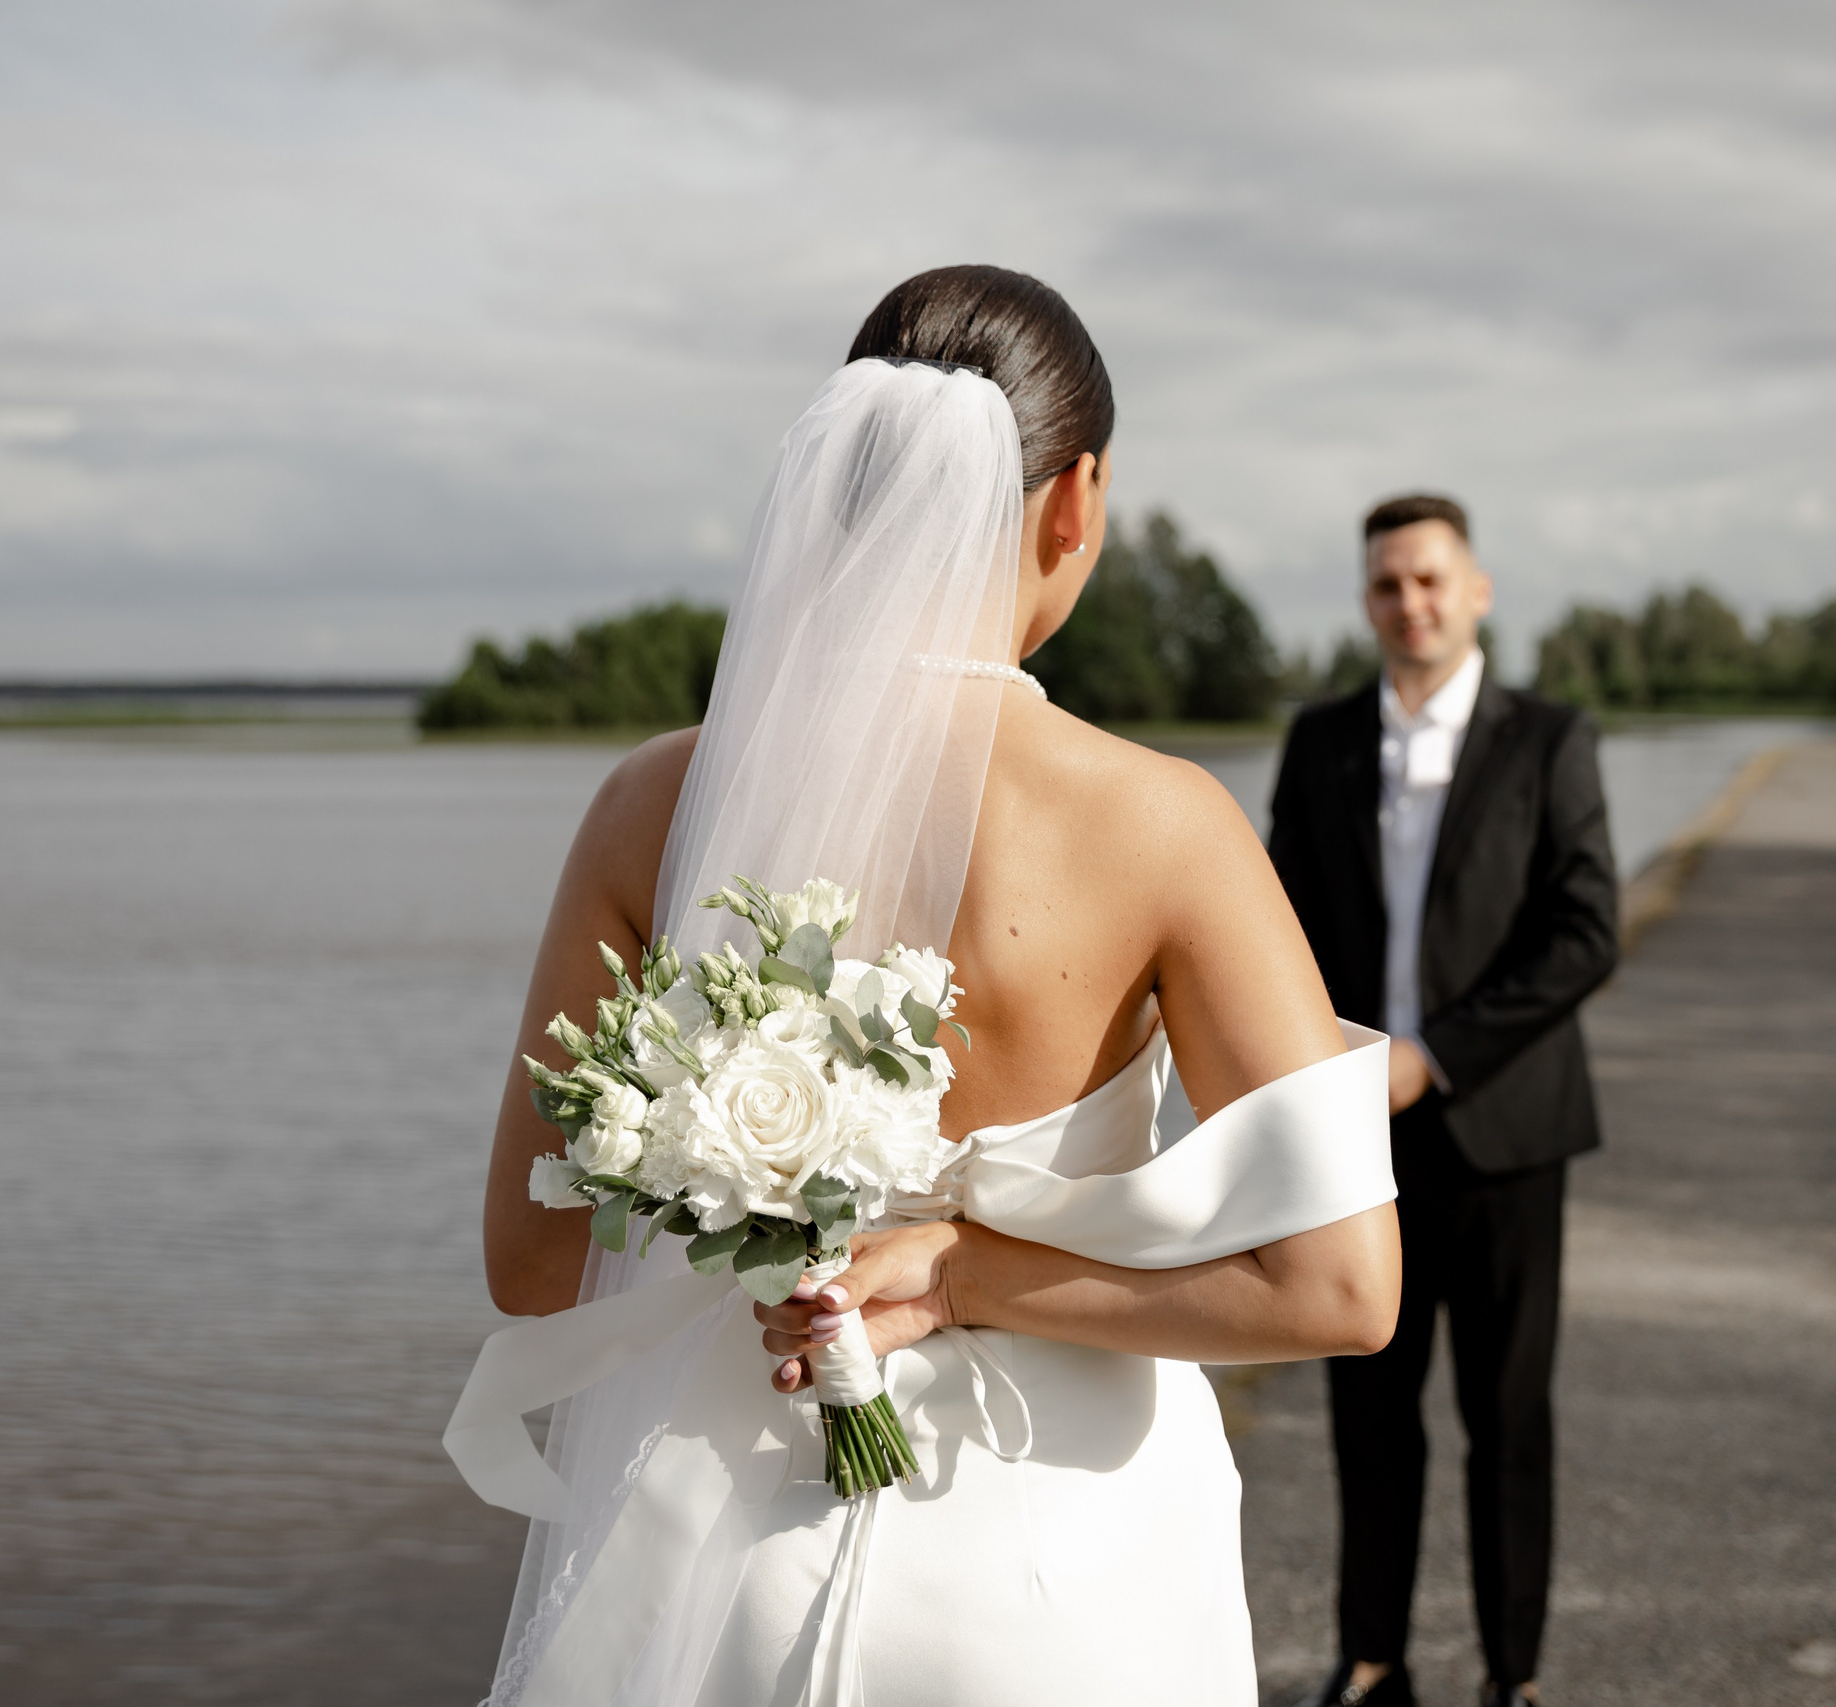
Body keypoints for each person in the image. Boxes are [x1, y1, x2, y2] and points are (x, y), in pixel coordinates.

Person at [458, 267, 1403, 1706]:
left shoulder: (657, 803)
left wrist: (746, 1203)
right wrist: (962, 1270)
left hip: (722, 1559)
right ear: (1075, 501)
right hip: (1058, 1571)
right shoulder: (1163, 823)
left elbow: (533, 1271)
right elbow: (1341, 1287)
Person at [1268, 495, 1620, 1707]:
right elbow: (1274, 934)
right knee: (1367, 1413)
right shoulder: (1316, 743)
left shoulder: (1550, 739)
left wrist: (1436, 1054)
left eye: (1428, 580)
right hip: (1355, 1138)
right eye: (1385, 585)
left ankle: (1512, 1680)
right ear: (1366, 602)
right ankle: (1372, 1661)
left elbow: (1586, 934)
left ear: (1474, 590)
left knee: (1507, 1420)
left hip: (1509, 1132)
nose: (1407, 604)